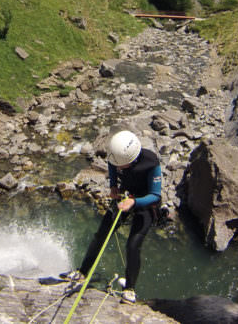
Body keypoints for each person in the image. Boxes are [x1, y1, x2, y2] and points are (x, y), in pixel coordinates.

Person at [61, 130, 162, 305]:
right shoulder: (117, 157)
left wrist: (134, 202)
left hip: (144, 203)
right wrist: (114, 185)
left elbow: (156, 195)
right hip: (125, 196)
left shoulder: (151, 162)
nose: (118, 167)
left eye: (121, 166)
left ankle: (130, 289)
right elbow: (112, 166)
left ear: (131, 160)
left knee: (133, 245)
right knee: (101, 235)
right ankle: (82, 272)